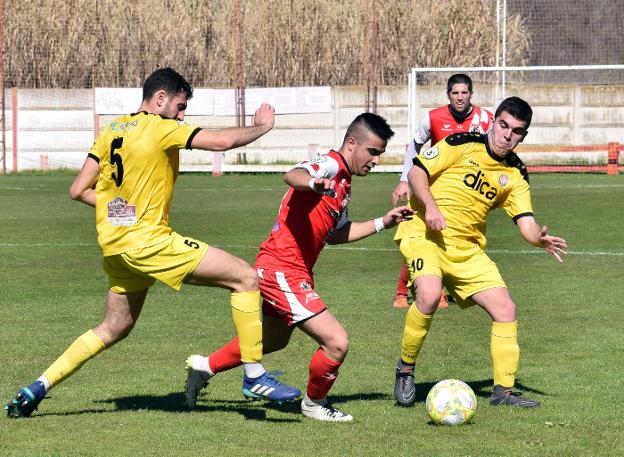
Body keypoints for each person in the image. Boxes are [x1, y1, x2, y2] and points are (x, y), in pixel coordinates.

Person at [5, 67, 301, 418]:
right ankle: (254, 376)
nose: (181, 115)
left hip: (116, 248)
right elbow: (221, 142)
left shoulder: (113, 128)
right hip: (149, 243)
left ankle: (37, 386)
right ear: (160, 99)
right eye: (179, 106)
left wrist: (123, 212)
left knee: (113, 328)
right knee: (245, 277)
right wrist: (263, 126)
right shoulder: (161, 127)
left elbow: (78, 189)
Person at [184, 113, 413, 422]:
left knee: (275, 338)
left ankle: (205, 367)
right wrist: (313, 182)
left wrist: (383, 222)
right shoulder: (330, 164)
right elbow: (292, 175)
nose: (376, 160)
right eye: (372, 151)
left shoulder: (344, 183)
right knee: (336, 342)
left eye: (380, 154)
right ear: (351, 143)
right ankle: (315, 404)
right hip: (282, 269)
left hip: (294, 270)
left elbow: (336, 235)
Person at [393, 96, 568, 408]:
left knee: (506, 310)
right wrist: (431, 207)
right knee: (430, 295)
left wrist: (538, 240)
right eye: (503, 125)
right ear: (493, 121)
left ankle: (503, 393)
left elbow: (526, 223)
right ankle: (405, 369)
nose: (507, 135)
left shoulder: (515, 173)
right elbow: (417, 172)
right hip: (424, 233)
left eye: (516, 131)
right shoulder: (461, 142)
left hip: (467, 248)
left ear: (523, 135)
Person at [391, 74, 492, 309]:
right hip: (431, 186)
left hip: (464, 192)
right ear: (448, 95)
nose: (459, 97)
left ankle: (445, 290)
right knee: (419, 236)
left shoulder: (486, 119)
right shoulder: (433, 117)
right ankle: (400, 293)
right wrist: (405, 178)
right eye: (455, 93)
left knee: (456, 238)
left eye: (464, 93)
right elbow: (414, 146)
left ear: (471, 94)